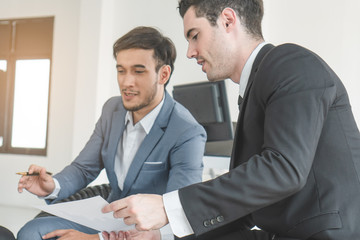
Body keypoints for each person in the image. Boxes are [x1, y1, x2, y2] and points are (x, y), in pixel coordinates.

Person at [101, 0, 360, 240]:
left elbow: (284, 169)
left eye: (194, 36)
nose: (190, 52)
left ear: (227, 20)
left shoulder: (291, 63)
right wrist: (163, 234)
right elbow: (244, 208)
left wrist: (167, 207)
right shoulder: (255, 87)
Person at [17, 26, 206, 240]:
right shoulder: (112, 110)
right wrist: (52, 185)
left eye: (138, 71)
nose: (126, 82)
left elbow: (180, 210)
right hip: (111, 216)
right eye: (121, 70)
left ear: (163, 74)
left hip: (148, 230)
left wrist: (97, 239)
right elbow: (83, 168)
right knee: (32, 232)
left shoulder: (186, 132)